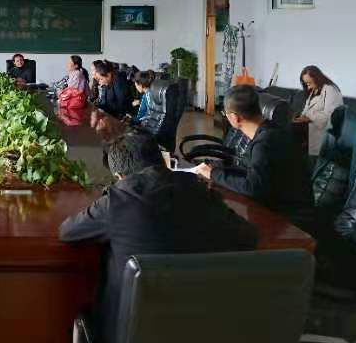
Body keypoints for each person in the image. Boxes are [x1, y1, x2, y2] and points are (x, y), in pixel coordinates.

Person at [60, 130, 257, 343]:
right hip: (200, 329)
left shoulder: (117, 200)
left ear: (119, 177)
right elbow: (248, 237)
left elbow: (68, 232)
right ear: (162, 161)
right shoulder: (200, 191)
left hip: (129, 334)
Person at [194, 85, 314, 217]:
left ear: (234, 118)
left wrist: (213, 174)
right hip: (277, 205)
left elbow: (252, 188)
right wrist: (218, 169)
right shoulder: (270, 130)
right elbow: (250, 171)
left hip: (289, 218)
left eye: (224, 114)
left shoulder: (264, 143)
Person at [293, 65, 343, 156]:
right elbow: (306, 110)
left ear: (317, 78)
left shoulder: (330, 90)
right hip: (308, 127)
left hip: (322, 130)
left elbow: (331, 116)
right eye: (306, 84)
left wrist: (309, 118)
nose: (308, 87)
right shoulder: (314, 90)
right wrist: (300, 117)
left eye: (309, 83)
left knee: (290, 131)